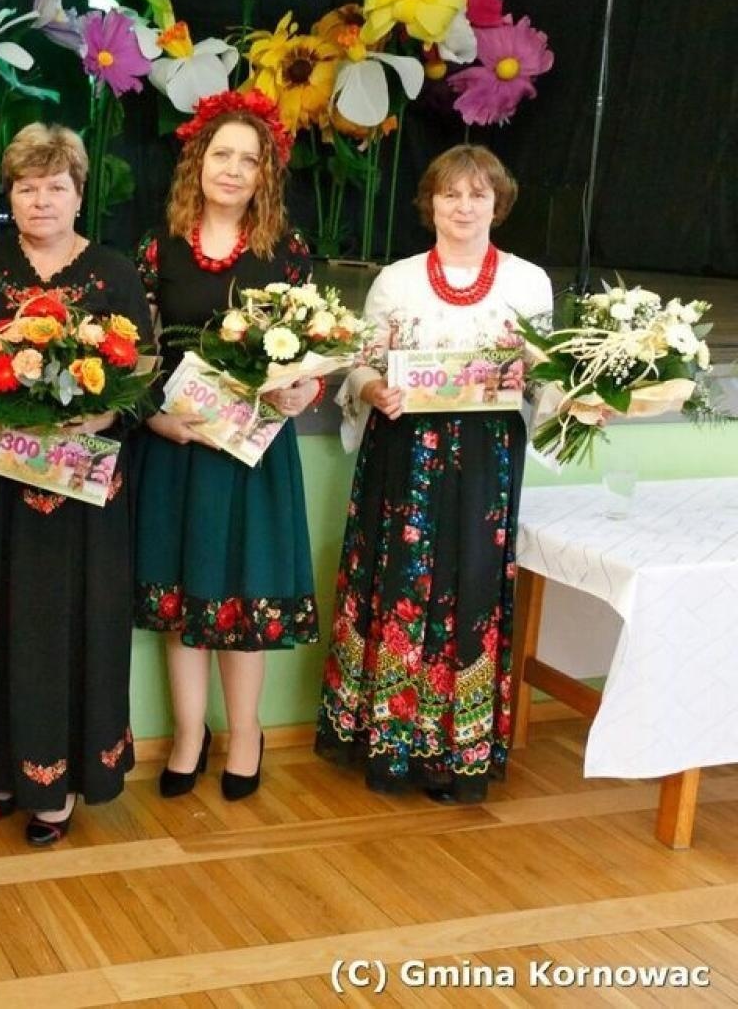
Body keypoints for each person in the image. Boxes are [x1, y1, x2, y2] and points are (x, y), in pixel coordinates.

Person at [0, 124, 151, 846]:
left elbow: (141, 381)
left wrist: (103, 409)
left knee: (60, 627)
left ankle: (56, 787)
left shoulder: (114, 271)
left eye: (55, 186)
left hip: (77, 498)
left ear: (80, 193)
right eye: (25, 186)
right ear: (8, 195)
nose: (40, 199)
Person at [315, 145, 552, 804]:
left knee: (472, 587)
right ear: (431, 203)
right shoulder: (396, 279)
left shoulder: (530, 281)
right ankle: (389, 743)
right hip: (405, 455)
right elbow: (359, 364)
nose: (464, 207)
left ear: (497, 203)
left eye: (478, 195)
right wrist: (372, 390)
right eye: (451, 194)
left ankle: (460, 747)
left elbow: (542, 373)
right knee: (400, 588)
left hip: (485, 459)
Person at [132, 90, 322, 803]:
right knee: (182, 602)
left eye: (249, 159)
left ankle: (245, 732)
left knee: (244, 596)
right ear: (197, 163)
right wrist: (153, 417)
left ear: (265, 173)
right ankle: (188, 734)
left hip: (253, 456)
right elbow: (135, 354)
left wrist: (304, 391)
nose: (234, 170)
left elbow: (312, 354)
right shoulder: (159, 248)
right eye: (222, 155)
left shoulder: (287, 254)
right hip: (179, 449)